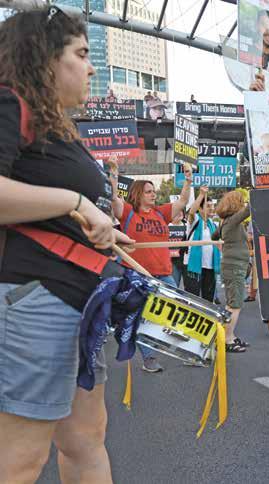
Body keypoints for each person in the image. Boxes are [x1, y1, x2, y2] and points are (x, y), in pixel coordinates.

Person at [0, 7, 135, 482]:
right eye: (81, 53)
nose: (92, 67)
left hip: (78, 303)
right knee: (20, 458)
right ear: (45, 59)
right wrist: (76, 200)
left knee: (85, 438)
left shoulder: (56, 128)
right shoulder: (10, 103)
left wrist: (100, 228)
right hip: (38, 297)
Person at [114, 174, 193, 375]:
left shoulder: (160, 212)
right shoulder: (128, 212)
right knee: (142, 319)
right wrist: (113, 173)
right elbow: (113, 197)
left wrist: (188, 181)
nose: (153, 194)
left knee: (180, 311)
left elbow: (183, 201)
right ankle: (149, 357)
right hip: (137, 276)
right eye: (148, 192)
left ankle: (191, 351)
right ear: (138, 194)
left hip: (164, 274)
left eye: (153, 191)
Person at [213, 190, 251, 352]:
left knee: (231, 304)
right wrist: (258, 192)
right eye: (241, 201)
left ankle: (230, 336)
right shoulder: (233, 220)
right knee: (235, 305)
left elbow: (214, 237)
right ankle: (227, 340)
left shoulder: (225, 222)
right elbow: (249, 210)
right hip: (235, 267)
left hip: (232, 265)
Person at [184, 186, 221, 303]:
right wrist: (201, 194)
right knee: (192, 298)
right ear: (200, 208)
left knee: (208, 299)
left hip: (210, 266)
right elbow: (191, 211)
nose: (212, 209)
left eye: (213, 206)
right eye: (208, 206)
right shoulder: (194, 220)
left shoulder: (213, 224)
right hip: (194, 266)